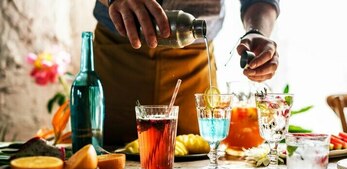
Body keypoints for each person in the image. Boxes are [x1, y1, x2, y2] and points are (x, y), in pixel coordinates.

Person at [93, 0, 280, 146]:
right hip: (119, 54)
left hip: (194, 60)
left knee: (197, 158)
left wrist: (257, 31)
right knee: (110, 154)